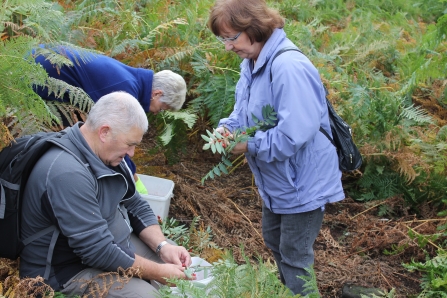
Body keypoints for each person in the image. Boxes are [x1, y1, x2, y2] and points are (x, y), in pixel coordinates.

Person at [207, 0, 345, 295]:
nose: (228, 47)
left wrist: (248, 145)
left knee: (295, 257)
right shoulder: (253, 62)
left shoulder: (288, 67)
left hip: (303, 182)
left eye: (232, 38)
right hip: (278, 181)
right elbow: (242, 112)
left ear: (254, 28)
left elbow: (294, 135)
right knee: (273, 240)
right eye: (223, 39)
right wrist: (227, 129)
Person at [19, 91, 193, 297]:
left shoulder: (108, 155)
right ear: (104, 132)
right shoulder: (66, 172)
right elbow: (97, 251)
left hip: (111, 243)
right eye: (130, 144)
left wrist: (162, 246)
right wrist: (158, 272)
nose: (132, 154)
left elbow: (135, 204)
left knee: (179, 264)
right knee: (150, 294)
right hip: (66, 271)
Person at [33, 45, 187, 193]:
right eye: (161, 108)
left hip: (42, 62)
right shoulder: (124, 91)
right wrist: (134, 182)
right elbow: (114, 140)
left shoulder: (130, 80)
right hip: (33, 72)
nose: (156, 113)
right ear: (157, 94)